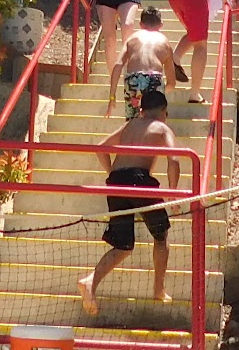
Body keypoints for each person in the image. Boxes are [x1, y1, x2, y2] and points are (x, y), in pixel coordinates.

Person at [77, 87, 182, 316]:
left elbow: (101, 148)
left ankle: (91, 281)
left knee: (123, 245)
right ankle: (159, 289)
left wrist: (113, 174)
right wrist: (173, 192)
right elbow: (174, 159)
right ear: (163, 111)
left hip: (117, 182)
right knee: (161, 235)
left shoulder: (130, 125)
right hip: (140, 180)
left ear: (142, 110)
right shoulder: (162, 128)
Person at [109, 3, 181, 115]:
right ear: (161, 25)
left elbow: (118, 64)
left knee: (133, 119)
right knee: (154, 119)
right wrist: (159, 91)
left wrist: (112, 96)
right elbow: (171, 83)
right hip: (154, 78)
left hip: (133, 79)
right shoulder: (164, 42)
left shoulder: (132, 39)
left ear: (141, 24)